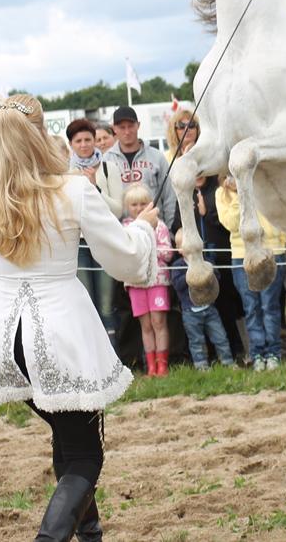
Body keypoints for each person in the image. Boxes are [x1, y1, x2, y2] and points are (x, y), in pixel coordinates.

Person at [0, 94, 159, 541]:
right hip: (60, 331)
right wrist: (143, 227)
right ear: (39, 135)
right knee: (83, 456)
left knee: (68, 434)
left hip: (2, 337)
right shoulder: (72, 188)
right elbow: (128, 261)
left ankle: (89, 534)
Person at [217, 174, 286, 371]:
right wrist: (241, 195)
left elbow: (279, 215)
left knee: (269, 306)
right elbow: (231, 223)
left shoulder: (265, 186)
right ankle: (257, 354)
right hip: (242, 255)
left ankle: (273, 353)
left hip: (271, 252)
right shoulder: (221, 195)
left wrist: (281, 242)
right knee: (251, 308)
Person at [66, 119, 123, 331]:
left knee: (107, 306)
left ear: (94, 141)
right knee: (85, 304)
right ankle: (90, 360)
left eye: (88, 139)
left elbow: (118, 210)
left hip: (103, 241)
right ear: (71, 144)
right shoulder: (64, 173)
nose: (83, 144)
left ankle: (114, 359)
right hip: (78, 245)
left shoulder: (109, 168)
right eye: (78, 140)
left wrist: (95, 188)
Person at [119, 184, 173, 376]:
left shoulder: (160, 225)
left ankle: (162, 364)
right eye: (134, 204)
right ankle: (150, 365)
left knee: (159, 322)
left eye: (143, 203)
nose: (139, 208)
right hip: (135, 281)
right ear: (127, 206)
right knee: (146, 325)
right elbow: (125, 253)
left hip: (158, 280)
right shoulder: (125, 228)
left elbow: (167, 254)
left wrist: (145, 250)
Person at [170, 229, 235, 370]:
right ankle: (201, 366)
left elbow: (216, 278)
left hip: (210, 309)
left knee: (220, 337)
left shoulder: (206, 262)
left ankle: (228, 361)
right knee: (196, 341)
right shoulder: (178, 266)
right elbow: (178, 285)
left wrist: (208, 272)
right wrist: (191, 274)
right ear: (179, 249)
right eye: (186, 245)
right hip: (190, 312)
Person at [104, 106, 176, 228]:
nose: (127, 131)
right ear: (114, 129)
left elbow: (169, 197)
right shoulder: (106, 160)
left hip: (156, 229)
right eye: (122, 127)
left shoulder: (157, 157)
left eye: (131, 126)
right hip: (121, 232)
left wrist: (169, 230)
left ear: (138, 125)